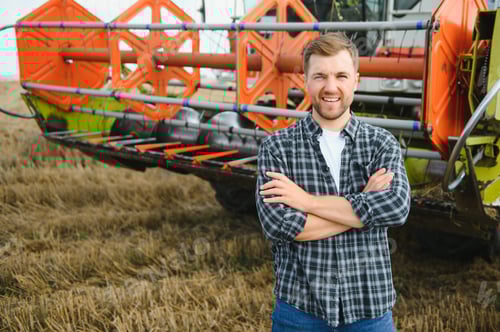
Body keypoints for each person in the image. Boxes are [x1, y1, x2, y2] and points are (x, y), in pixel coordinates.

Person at [256, 32, 411, 331]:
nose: (331, 87)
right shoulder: (277, 148)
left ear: (356, 80)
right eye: (320, 76)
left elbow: (395, 208)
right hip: (301, 311)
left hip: (369, 311)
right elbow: (280, 225)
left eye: (341, 75)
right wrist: (364, 203)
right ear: (305, 80)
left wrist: (307, 203)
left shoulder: (381, 144)